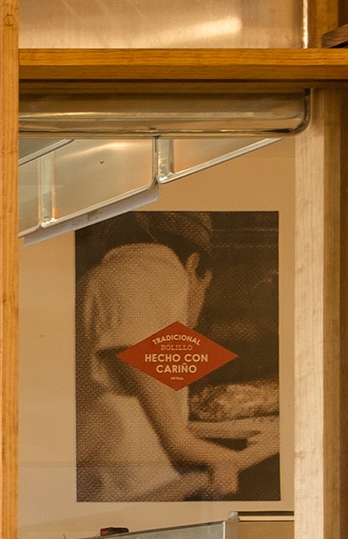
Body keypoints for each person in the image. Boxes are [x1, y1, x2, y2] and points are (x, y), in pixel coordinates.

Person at [74, 211, 256, 502]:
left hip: (119, 488)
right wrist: (182, 442)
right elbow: (133, 348)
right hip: (123, 492)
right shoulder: (152, 264)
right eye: (205, 288)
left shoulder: (95, 279)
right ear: (193, 265)